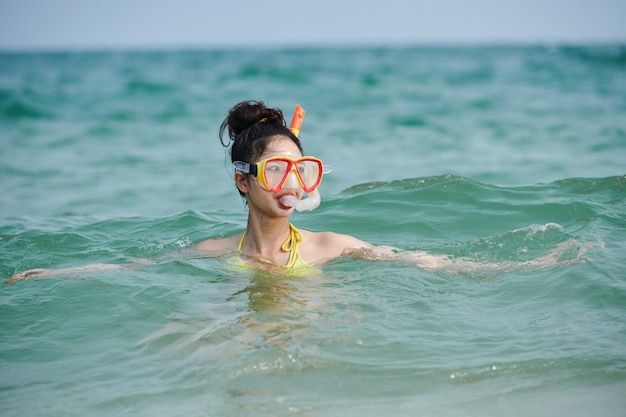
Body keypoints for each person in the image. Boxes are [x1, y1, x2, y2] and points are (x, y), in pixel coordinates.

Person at [5, 100, 589, 284]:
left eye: (301, 170)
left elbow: (431, 263)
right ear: (243, 181)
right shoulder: (214, 252)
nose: (292, 184)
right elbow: (131, 268)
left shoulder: (330, 245)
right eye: (276, 170)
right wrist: (50, 276)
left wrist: (535, 264)